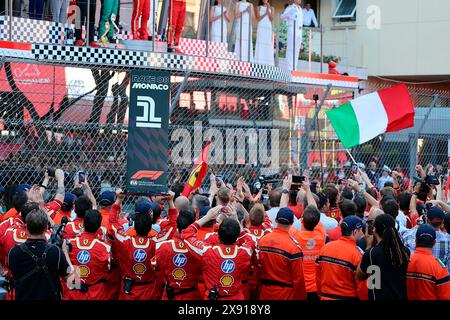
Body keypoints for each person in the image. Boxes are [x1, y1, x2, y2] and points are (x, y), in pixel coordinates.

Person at [181, 206, 254, 300]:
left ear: (218, 236)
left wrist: (207, 217)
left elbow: (186, 234)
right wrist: (236, 220)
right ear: (237, 237)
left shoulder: (208, 252)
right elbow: (251, 241)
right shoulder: (244, 252)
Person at [7, 209, 72, 300]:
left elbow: (11, 274)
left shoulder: (13, 252)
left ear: (26, 226)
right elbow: (71, 281)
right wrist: (65, 253)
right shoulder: (55, 251)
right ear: (46, 228)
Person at [108, 190, 160, 300]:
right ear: (150, 214)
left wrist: (119, 199)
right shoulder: (157, 240)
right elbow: (172, 228)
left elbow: (112, 222)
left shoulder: (125, 238)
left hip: (128, 288)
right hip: (149, 289)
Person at [356, 214, 410, 300]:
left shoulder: (372, 253)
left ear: (374, 230)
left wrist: (369, 246)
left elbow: (359, 275)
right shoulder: (405, 251)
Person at [258, 207, 306, 300]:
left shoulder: (262, 241)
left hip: (265, 292)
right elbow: (298, 279)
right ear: (292, 223)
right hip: (286, 295)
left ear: (276, 220)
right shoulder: (293, 247)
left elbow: (257, 268)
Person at [156, 207, 203, 300]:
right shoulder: (199, 248)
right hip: (191, 295)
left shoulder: (162, 246)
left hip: (169, 294)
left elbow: (157, 270)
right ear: (194, 224)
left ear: (177, 223)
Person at [316, 215, 366, 300]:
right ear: (355, 232)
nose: (363, 233)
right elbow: (362, 287)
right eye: (361, 230)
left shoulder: (325, 248)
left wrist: (322, 295)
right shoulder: (357, 254)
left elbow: (318, 277)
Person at [65, 210, 111, 300]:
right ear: (99, 227)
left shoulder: (69, 244)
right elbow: (108, 269)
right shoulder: (105, 247)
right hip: (95, 293)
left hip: (74, 291)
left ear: (83, 223)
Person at [289, 205, 325, 300]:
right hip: (316, 288)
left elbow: (285, 219)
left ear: (302, 220)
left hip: (300, 286)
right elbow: (315, 215)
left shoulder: (294, 235)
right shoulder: (322, 235)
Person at [406, 224, 450, 300]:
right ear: (434, 243)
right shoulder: (439, 268)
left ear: (416, 241)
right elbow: (445, 297)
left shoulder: (405, 262)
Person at [280, 0, 303, 71]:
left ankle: (294, 68)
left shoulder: (300, 9)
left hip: (299, 29)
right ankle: (289, 69)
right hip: (292, 28)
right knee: (290, 49)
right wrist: (289, 13)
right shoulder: (290, 7)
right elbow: (282, 17)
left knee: (296, 50)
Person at [254, 0, 274, 66]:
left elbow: (271, 19)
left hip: (268, 27)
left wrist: (268, 9)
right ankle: (259, 61)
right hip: (261, 26)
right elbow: (258, 18)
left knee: (268, 43)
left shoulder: (272, 8)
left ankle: (268, 62)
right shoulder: (258, 7)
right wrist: (265, 13)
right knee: (260, 42)